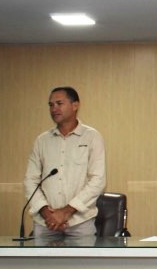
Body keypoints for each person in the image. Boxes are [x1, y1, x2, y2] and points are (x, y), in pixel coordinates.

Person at [25, 87, 107, 240]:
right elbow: (31, 181)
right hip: (45, 223)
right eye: (51, 105)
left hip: (80, 223)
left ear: (75, 105)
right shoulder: (42, 140)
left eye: (59, 103)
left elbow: (98, 181)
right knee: (43, 258)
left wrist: (66, 212)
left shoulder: (92, 137)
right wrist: (47, 213)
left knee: (82, 257)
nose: (54, 109)